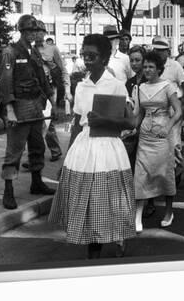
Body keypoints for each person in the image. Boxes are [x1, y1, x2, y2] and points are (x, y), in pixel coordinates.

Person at [49, 33, 137, 259]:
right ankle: (93, 253)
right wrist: (66, 158)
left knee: (110, 199)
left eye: (93, 56)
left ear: (105, 58)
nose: (87, 60)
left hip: (108, 148)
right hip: (84, 149)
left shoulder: (117, 85)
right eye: (84, 55)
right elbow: (78, 125)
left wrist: (105, 121)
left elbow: (130, 122)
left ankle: (118, 236)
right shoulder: (81, 87)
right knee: (89, 202)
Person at [0, 15, 56, 210]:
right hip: (19, 105)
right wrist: (9, 110)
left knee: (37, 146)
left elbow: (42, 77)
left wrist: (51, 100)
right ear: (22, 31)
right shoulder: (10, 52)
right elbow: (5, 83)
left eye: (35, 31)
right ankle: (8, 190)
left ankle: (36, 182)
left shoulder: (34, 52)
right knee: (14, 151)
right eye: (30, 31)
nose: (33, 34)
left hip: (35, 105)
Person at [133, 50, 183, 232]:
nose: (147, 70)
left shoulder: (168, 86)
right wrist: (131, 128)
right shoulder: (141, 87)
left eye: (151, 67)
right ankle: (137, 214)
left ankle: (169, 211)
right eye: (145, 66)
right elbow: (138, 115)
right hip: (145, 137)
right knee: (140, 175)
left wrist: (167, 127)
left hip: (163, 137)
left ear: (159, 69)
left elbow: (178, 111)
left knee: (165, 174)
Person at [151, 36, 184, 186]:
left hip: (174, 110)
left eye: (162, 51)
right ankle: (162, 177)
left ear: (167, 51)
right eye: (156, 50)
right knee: (159, 145)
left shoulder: (175, 66)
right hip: (157, 111)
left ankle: (176, 173)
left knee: (174, 143)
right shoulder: (151, 65)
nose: (159, 53)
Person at [34, 20, 72, 163]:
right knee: (44, 122)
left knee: (45, 121)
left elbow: (63, 71)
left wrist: (67, 90)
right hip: (35, 90)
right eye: (34, 31)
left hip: (50, 89)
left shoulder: (52, 49)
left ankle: (35, 156)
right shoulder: (29, 50)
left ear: (44, 33)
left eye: (39, 31)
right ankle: (55, 150)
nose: (37, 34)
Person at [123, 45, 147, 172]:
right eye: (131, 60)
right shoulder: (130, 82)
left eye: (137, 60)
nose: (134, 63)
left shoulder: (148, 80)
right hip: (133, 128)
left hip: (146, 127)